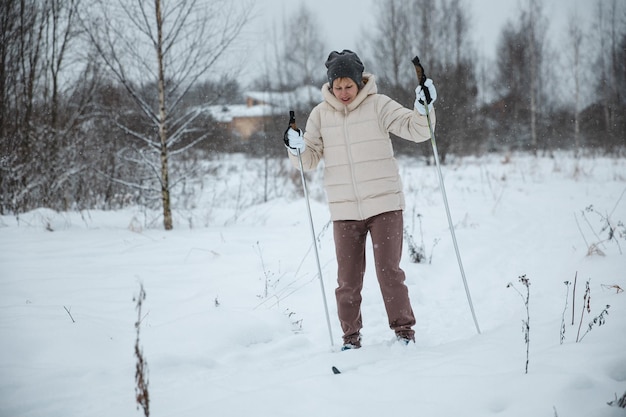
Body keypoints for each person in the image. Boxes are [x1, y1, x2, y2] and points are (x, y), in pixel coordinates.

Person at [284, 49, 437, 350]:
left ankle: (404, 332)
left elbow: (419, 130)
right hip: (345, 210)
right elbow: (310, 160)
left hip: (384, 206)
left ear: (359, 82)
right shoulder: (320, 115)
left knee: (389, 273)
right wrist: (295, 147)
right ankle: (350, 339)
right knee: (348, 281)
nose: (343, 93)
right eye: (337, 87)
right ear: (330, 85)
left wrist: (424, 108)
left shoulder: (379, 106)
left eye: (348, 86)